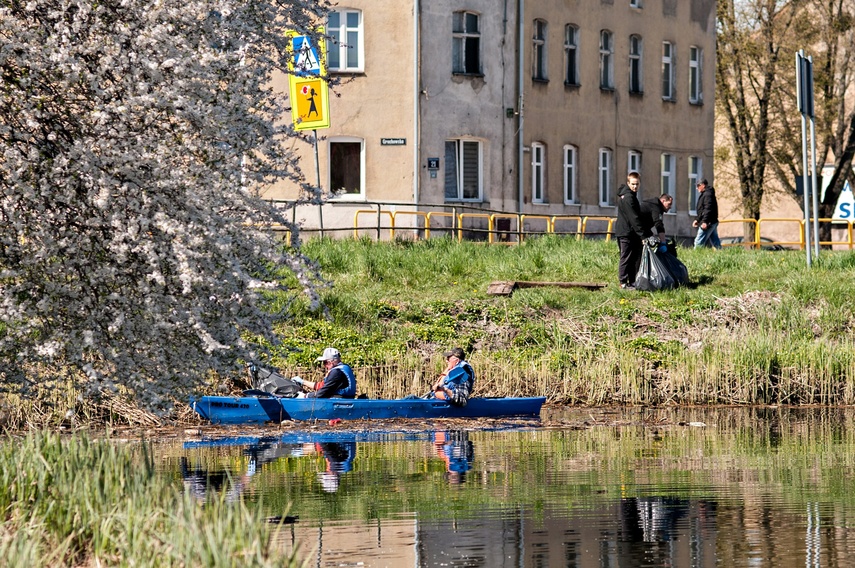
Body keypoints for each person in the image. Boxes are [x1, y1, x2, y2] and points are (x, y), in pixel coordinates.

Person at [614, 171, 653, 289]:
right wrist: (643, 235)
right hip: (626, 232)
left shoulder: (629, 195)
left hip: (628, 231)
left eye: (637, 184)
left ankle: (632, 281)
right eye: (632, 184)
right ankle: (623, 282)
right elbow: (634, 218)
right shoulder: (629, 198)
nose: (635, 187)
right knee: (626, 257)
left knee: (633, 257)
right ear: (628, 183)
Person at [293, 347, 357, 398]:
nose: (324, 365)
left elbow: (323, 393)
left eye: (325, 362)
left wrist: (305, 396)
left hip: (340, 400)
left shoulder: (336, 373)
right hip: (344, 399)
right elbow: (322, 386)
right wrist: (303, 382)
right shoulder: (344, 368)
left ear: (330, 362)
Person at [693, 179, 721, 249]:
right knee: (715, 241)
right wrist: (698, 220)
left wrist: (704, 221)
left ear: (703, 185)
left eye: (698, 186)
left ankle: (696, 257)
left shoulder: (707, 195)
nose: (697, 188)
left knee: (698, 242)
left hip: (708, 222)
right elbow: (702, 209)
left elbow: (708, 209)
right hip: (711, 221)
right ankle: (721, 254)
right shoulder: (706, 194)